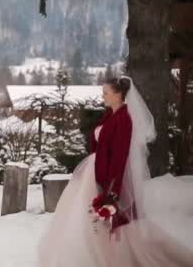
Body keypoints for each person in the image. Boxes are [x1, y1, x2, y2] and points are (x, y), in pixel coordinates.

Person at [37, 76, 193, 267]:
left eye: (106, 93)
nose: (103, 96)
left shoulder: (124, 119)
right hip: (94, 172)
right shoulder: (109, 114)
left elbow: (120, 156)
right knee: (87, 219)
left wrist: (113, 190)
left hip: (108, 177)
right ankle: (94, 256)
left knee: (111, 223)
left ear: (118, 95)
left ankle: (112, 259)